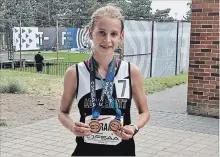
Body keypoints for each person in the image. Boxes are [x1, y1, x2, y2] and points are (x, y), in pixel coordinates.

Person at [58, 4, 150, 156]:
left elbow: (145, 112)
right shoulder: (75, 73)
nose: (107, 40)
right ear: (90, 33)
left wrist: (134, 127)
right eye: (101, 32)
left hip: (123, 151)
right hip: (86, 151)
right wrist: (72, 127)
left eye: (113, 34)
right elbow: (62, 112)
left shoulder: (131, 72)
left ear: (120, 37)